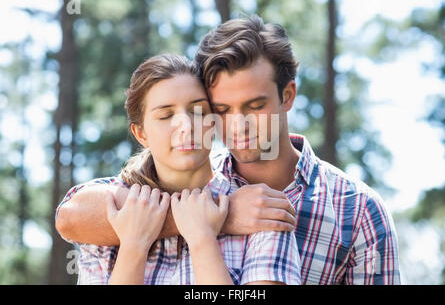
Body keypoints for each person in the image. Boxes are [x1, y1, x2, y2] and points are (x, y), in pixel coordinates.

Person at [57, 15, 401, 284]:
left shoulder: (357, 209)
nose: (238, 125)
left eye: (254, 105)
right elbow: (70, 216)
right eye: (221, 109)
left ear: (288, 96)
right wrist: (219, 215)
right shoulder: (197, 186)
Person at [61, 54, 301, 285]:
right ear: (141, 133)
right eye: (166, 116)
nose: (186, 126)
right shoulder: (113, 212)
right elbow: (68, 215)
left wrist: (203, 240)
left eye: (198, 111)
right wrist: (134, 245)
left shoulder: (259, 212)